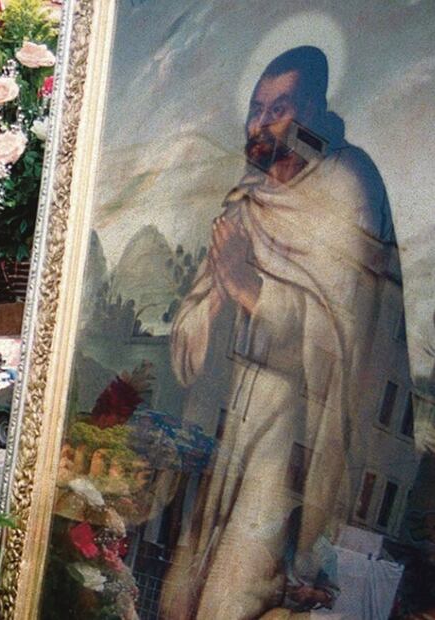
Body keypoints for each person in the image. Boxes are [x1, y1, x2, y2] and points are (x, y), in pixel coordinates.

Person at [161, 46, 405, 618]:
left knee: (236, 596)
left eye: (279, 107)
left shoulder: (349, 184)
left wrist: (251, 289)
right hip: (224, 428)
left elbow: (350, 335)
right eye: (256, 107)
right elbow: (187, 350)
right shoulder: (247, 198)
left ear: (315, 113)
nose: (260, 122)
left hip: (295, 435)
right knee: (181, 595)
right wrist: (223, 292)